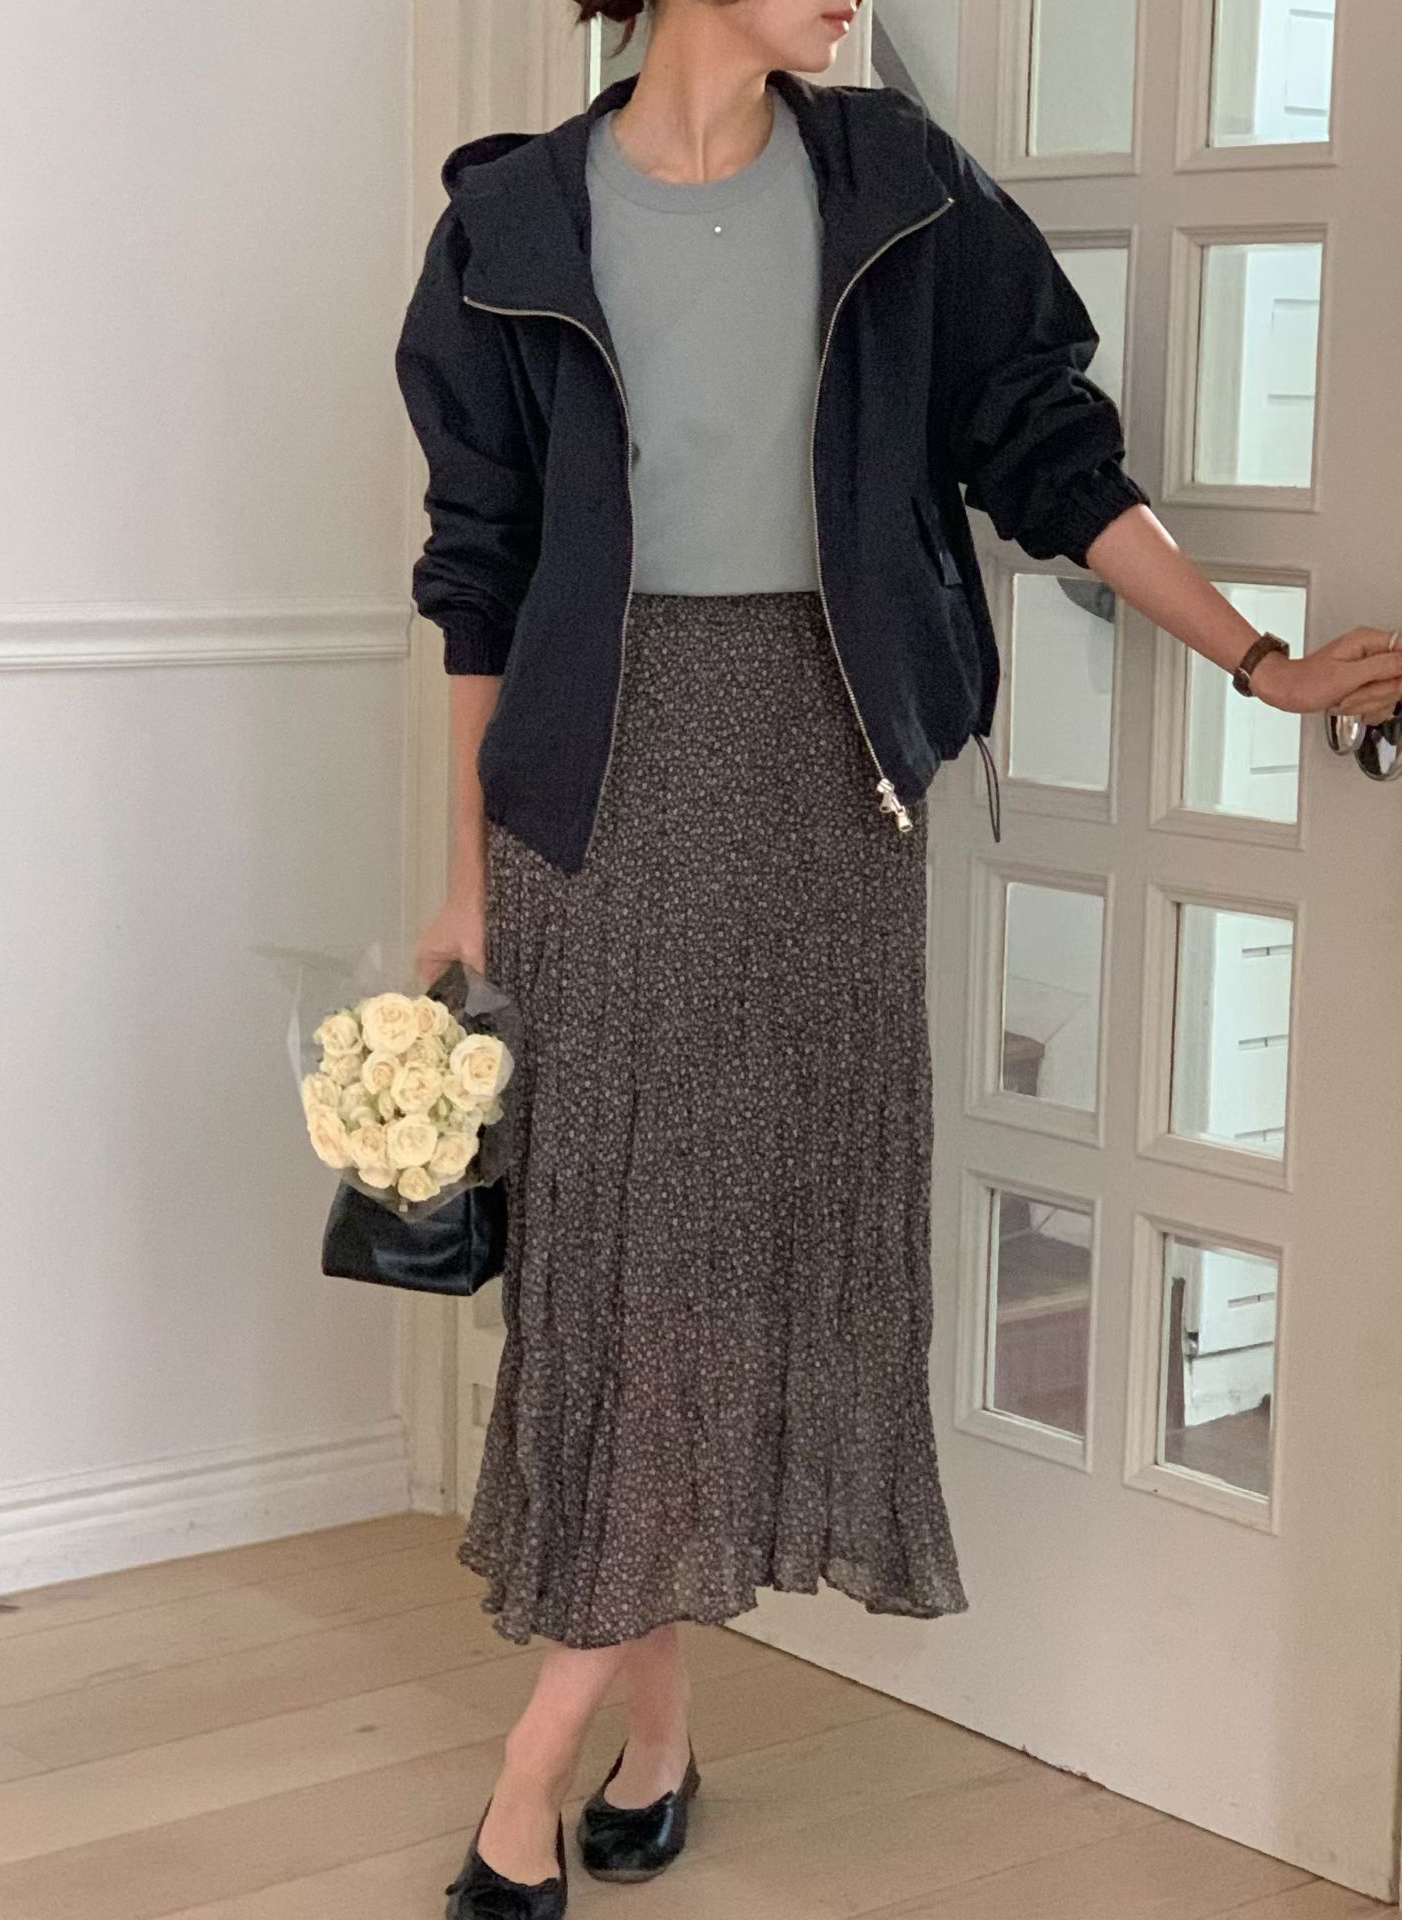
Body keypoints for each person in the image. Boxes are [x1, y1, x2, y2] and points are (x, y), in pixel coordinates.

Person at [394, 3, 1402, 1914]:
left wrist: (1257, 662)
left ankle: (559, 1761)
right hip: (597, 786)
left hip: (825, 771)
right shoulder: (512, 225)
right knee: (627, 1268)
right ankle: (632, 1738)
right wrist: (463, 881)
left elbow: (1049, 454)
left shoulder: (896, 188)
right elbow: (479, 569)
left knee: (734, 1250)